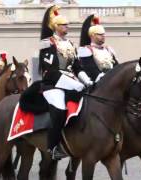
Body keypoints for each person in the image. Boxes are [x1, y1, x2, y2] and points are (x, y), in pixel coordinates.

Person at [39, 5, 93, 160]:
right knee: (60, 110)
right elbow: (51, 70)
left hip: (71, 81)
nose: (67, 27)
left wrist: (87, 80)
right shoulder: (47, 43)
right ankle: (52, 147)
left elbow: (76, 66)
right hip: (53, 85)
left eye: (67, 25)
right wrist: (73, 84)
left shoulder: (69, 44)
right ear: (55, 26)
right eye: (63, 25)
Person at [78, 14, 118, 82]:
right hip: (96, 82)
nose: (103, 36)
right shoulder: (86, 50)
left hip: (111, 79)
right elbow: (91, 69)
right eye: (100, 34)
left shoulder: (108, 50)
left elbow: (116, 66)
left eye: (103, 34)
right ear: (92, 35)